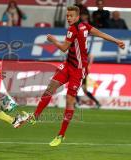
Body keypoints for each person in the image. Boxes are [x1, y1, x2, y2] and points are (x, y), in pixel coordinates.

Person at [31, 6, 125, 147]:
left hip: (78, 70)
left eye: (71, 16)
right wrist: (117, 41)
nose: (68, 18)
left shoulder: (76, 28)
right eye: (67, 15)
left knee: (69, 100)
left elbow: (64, 48)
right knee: (50, 87)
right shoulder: (83, 26)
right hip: (68, 65)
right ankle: (35, 115)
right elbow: (99, 34)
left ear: (77, 16)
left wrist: (53, 40)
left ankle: (61, 135)